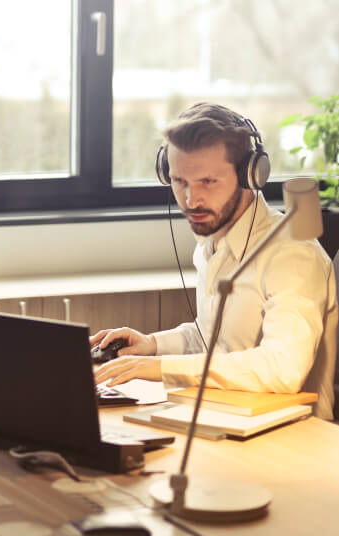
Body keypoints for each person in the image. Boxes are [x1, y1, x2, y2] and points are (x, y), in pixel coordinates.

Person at [92, 102, 337, 419]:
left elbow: (283, 369)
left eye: (208, 182)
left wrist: (161, 368)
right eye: (180, 182)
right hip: (226, 416)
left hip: (294, 438)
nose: (191, 201)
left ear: (251, 175)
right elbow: (214, 339)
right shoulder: (213, 243)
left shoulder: (292, 254)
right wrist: (152, 345)